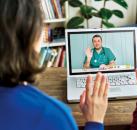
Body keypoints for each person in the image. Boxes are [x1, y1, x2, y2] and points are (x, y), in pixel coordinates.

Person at [0, 0, 108, 130]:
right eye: (94, 41)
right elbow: (85, 67)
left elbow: (112, 63)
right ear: (32, 37)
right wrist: (95, 122)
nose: (96, 43)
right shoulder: (53, 116)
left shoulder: (107, 51)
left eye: (98, 41)